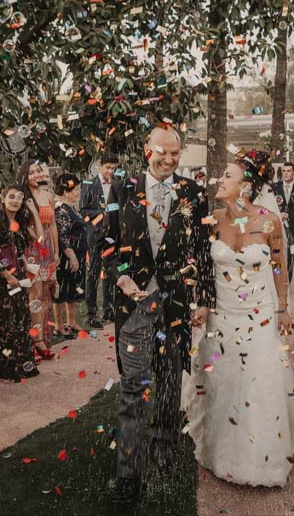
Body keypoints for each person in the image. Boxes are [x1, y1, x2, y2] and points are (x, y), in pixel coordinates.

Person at [99, 125, 214, 505]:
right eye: (161, 151)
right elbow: (105, 242)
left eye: (175, 153)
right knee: (134, 388)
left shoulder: (194, 193)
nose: (168, 159)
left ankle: (164, 453)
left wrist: (204, 298)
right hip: (136, 305)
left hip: (177, 304)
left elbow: (202, 248)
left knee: (167, 383)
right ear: (146, 148)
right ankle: (128, 472)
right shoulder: (122, 189)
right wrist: (122, 277)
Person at [183, 151, 294, 487]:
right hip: (221, 316)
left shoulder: (269, 220)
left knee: (258, 383)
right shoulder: (212, 220)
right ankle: (218, 451)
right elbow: (202, 269)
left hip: (258, 317)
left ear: (246, 186)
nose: (219, 181)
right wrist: (201, 303)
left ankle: (259, 460)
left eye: (227, 176)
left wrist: (282, 306)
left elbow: (281, 266)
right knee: (220, 382)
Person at [0, 184, 40, 381]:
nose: (15, 200)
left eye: (19, 197)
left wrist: (24, 266)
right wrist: (6, 276)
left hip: (19, 275)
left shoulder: (18, 222)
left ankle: (22, 363)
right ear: (2, 199)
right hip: (3, 277)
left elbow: (22, 247)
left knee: (21, 319)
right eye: (11, 197)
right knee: (5, 322)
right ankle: (5, 367)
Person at [17, 160, 59, 355]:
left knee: (44, 294)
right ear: (25, 176)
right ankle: (34, 340)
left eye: (38, 171)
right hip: (31, 249)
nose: (36, 175)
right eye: (31, 172)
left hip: (48, 248)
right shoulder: (23, 197)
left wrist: (56, 252)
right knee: (33, 294)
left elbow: (53, 226)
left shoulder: (48, 195)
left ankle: (41, 336)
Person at [81, 153, 118, 329]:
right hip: (95, 236)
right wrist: (102, 215)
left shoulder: (118, 184)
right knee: (93, 275)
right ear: (100, 167)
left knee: (110, 273)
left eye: (113, 168)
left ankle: (109, 309)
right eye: (108, 167)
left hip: (113, 237)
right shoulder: (88, 185)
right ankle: (91, 314)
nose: (110, 171)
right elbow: (84, 211)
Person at [54, 173, 88, 337]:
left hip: (78, 254)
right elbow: (62, 235)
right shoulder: (60, 208)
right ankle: (59, 325)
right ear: (66, 190)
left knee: (73, 287)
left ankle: (71, 321)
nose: (78, 193)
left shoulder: (69, 206)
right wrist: (71, 256)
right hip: (67, 256)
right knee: (62, 289)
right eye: (76, 189)